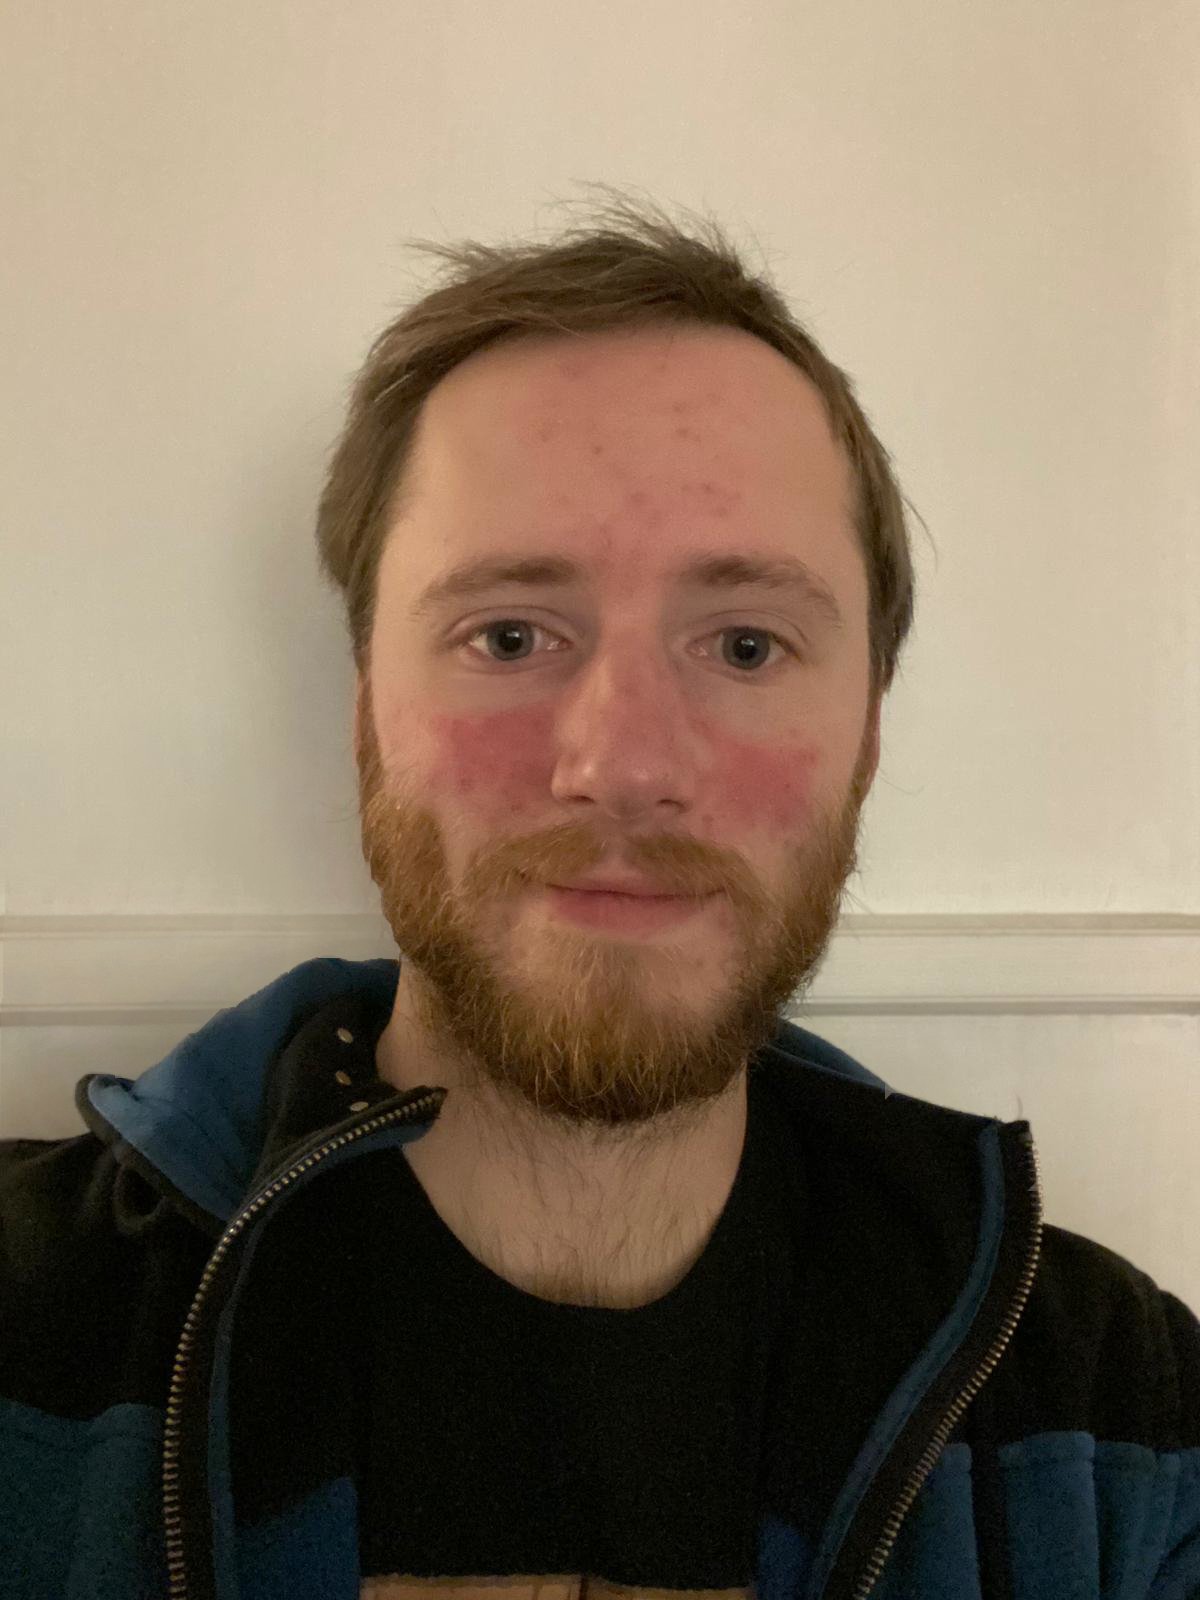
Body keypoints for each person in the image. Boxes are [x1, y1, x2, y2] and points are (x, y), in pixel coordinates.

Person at [2, 189, 1197, 1600]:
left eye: (746, 645)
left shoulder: (1118, 1418)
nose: (623, 763)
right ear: (367, 714)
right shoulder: (33, 1336)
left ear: (868, 734)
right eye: (507, 633)